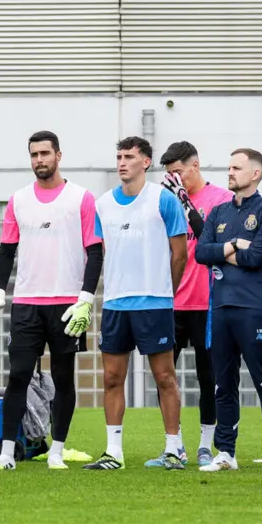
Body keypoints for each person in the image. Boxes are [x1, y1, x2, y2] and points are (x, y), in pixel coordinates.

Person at [0, 131, 103, 471]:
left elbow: (95, 252)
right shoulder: (18, 199)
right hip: (27, 304)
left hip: (67, 305)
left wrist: (86, 299)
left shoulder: (82, 198)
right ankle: (6, 453)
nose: (39, 160)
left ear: (59, 155)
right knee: (18, 375)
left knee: (64, 378)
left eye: (45, 153)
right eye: (33, 154)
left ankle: (57, 451)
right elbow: (6, 251)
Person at [83, 136, 188, 471]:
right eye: (118, 156)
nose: (122, 162)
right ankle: (113, 452)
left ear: (146, 162)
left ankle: (174, 449)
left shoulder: (163, 199)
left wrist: (163, 292)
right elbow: (97, 255)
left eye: (129, 156)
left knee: (164, 378)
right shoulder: (102, 205)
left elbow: (180, 254)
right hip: (115, 304)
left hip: (155, 303)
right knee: (112, 378)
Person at [194, 148, 262, 473]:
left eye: (237, 167)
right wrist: (234, 246)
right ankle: (226, 452)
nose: (230, 171)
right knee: (223, 384)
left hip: (254, 310)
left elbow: (257, 257)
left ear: (256, 174)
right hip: (221, 310)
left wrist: (223, 253)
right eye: (229, 166)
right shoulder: (218, 212)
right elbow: (201, 254)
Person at [150, 142, 232, 468]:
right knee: (163, 375)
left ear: (194, 166)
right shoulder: (162, 201)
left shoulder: (222, 201)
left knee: (208, 376)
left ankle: (206, 445)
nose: (174, 180)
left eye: (178, 172)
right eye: (169, 174)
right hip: (171, 303)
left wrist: (183, 200)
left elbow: (210, 241)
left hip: (209, 302)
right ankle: (175, 445)